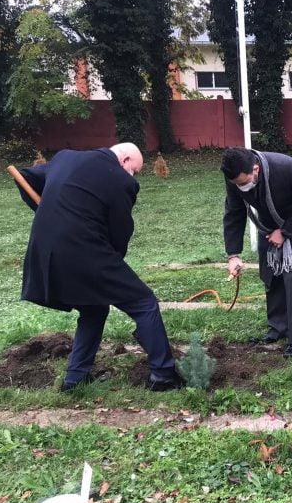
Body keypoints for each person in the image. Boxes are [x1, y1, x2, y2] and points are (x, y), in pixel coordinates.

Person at [15, 143, 182, 392]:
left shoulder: (65, 157)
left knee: (94, 308)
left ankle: (75, 379)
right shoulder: (121, 181)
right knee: (144, 302)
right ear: (125, 160)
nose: (133, 176)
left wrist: (48, 210)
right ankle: (163, 375)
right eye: (134, 170)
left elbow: (24, 178)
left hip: (44, 250)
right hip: (85, 251)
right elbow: (120, 231)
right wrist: (113, 262)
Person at [222, 148, 292, 358]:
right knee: (271, 275)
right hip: (268, 226)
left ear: (255, 169)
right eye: (236, 184)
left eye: (243, 182)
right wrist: (233, 254)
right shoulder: (234, 177)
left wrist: (284, 232)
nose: (241, 187)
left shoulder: (287, 167)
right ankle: (277, 328)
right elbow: (234, 212)